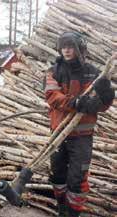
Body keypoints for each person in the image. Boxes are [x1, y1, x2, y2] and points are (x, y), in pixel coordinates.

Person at [45, 32, 115, 217]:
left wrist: (105, 96)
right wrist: (75, 103)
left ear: (79, 48)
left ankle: (73, 213)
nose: (66, 50)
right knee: (58, 175)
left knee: (77, 179)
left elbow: (104, 104)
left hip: (82, 137)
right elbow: (52, 96)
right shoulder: (54, 71)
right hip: (58, 134)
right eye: (63, 47)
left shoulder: (93, 72)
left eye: (70, 46)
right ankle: (62, 209)